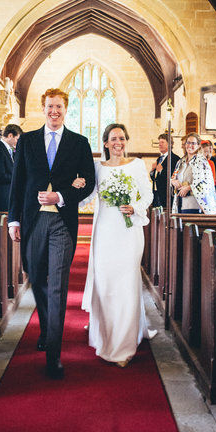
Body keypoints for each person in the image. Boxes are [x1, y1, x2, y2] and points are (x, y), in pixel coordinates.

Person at [8, 88, 96, 379]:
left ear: (65, 109)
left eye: (59, 106)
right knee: (36, 277)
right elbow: (17, 183)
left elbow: (89, 181)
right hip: (33, 222)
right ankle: (47, 327)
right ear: (43, 108)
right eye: (49, 106)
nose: (54, 111)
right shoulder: (28, 141)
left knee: (57, 284)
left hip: (62, 223)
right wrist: (13, 220)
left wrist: (60, 195)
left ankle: (54, 355)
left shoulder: (79, 142)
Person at [73, 124, 156, 368]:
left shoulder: (137, 165)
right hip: (105, 232)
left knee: (127, 284)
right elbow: (88, 197)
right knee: (106, 284)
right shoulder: (98, 168)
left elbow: (147, 195)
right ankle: (106, 335)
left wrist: (136, 207)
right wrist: (74, 188)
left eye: (121, 138)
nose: (118, 142)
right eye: (113, 138)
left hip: (129, 233)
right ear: (106, 143)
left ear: (126, 141)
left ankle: (123, 344)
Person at [169, 133, 216, 214]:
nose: (190, 145)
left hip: (195, 204)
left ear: (198, 145)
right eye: (188, 142)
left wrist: (189, 188)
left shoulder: (202, 161)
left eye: (193, 143)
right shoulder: (180, 162)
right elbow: (173, 177)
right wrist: (173, 181)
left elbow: (207, 183)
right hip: (180, 202)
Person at [0, 124, 22, 212]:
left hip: (7, 196)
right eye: (17, 139)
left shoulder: (9, 150)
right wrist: (17, 177)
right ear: (10, 135)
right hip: (0, 198)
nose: (18, 142)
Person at [150, 133, 180, 208]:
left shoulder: (175, 159)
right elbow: (155, 178)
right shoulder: (159, 159)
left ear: (169, 144)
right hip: (157, 193)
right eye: (159, 143)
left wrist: (161, 171)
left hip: (167, 195)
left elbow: (173, 177)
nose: (159, 145)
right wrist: (152, 171)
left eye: (162, 142)